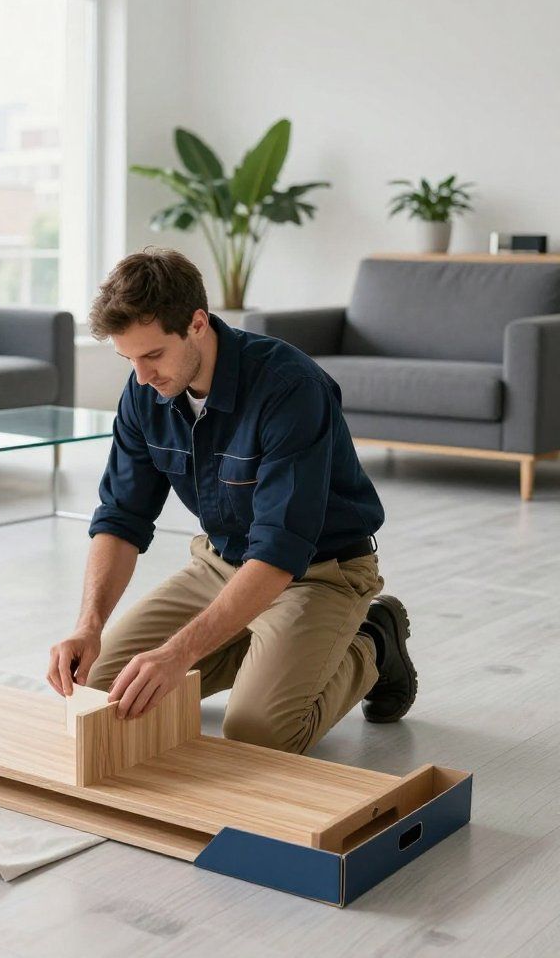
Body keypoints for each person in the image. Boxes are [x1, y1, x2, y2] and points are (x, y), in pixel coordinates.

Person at [46, 247, 417, 754]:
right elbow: (121, 517)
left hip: (318, 572)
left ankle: (372, 640)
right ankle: (265, 649)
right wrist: (88, 627)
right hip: (220, 565)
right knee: (99, 693)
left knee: (258, 734)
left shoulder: (290, 388)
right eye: (128, 359)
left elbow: (280, 550)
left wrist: (178, 653)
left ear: (197, 323)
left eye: (152, 355)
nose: (141, 377)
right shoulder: (144, 392)